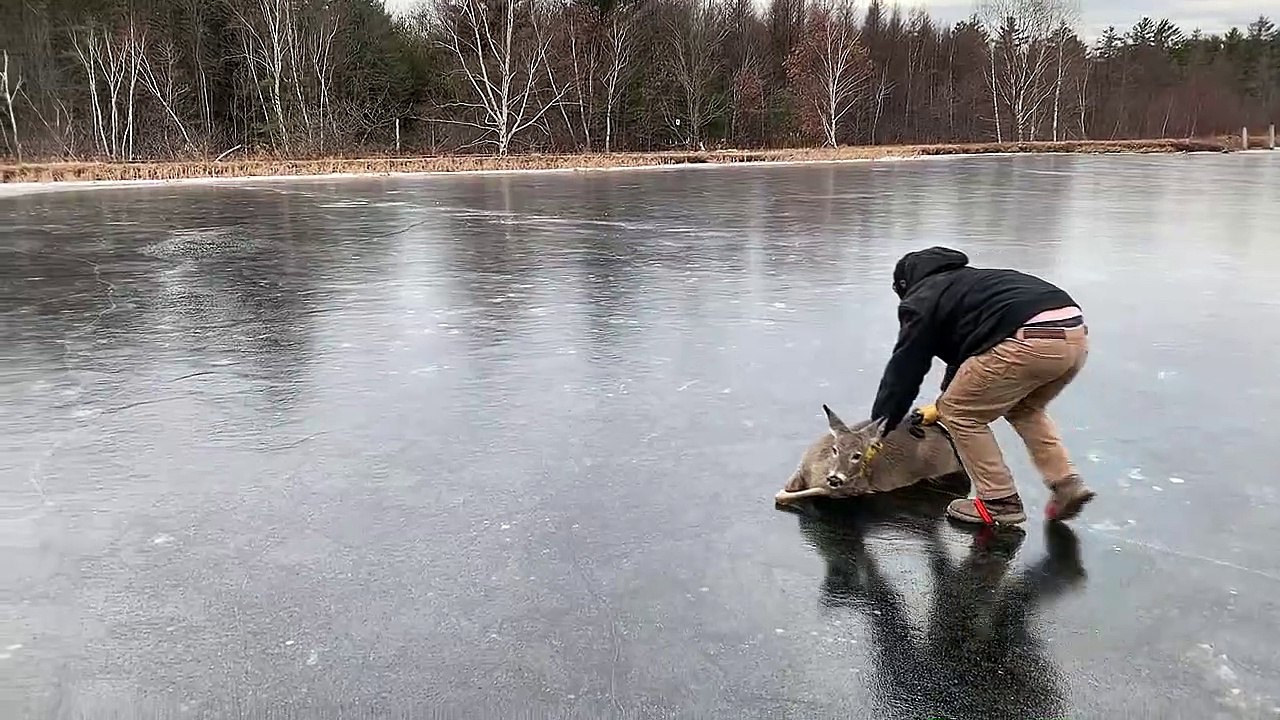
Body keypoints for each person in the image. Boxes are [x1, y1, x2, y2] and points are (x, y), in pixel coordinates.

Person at [867, 246, 1096, 526]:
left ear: (905, 284)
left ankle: (999, 502)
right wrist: (937, 405)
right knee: (1024, 409)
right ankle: (1065, 482)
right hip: (1073, 335)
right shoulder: (969, 285)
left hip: (1027, 340)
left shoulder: (922, 298)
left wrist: (879, 427)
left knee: (961, 414)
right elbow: (967, 357)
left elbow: (905, 368)